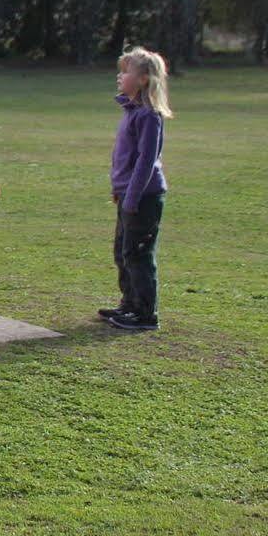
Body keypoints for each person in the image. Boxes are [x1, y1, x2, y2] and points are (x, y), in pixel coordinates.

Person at [101, 46, 173, 332]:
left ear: (143, 79)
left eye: (126, 72)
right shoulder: (131, 111)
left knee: (138, 253)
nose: (120, 76)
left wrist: (131, 197)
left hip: (144, 197)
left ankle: (145, 313)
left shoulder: (148, 115)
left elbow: (146, 161)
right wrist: (120, 190)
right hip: (128, 195)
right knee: (122, 251)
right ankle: (129, 303)